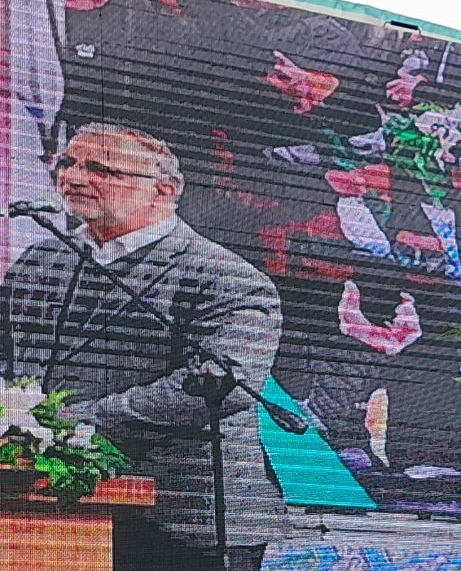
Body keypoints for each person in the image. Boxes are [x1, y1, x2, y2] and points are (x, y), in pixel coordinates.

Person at [0, 123, 286, 571]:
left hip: (184, 516)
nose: (73, 177)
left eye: (101, 169)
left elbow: (218, 388)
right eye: (68, 163)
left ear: (163, 191)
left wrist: (70, 427)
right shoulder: (41, 261)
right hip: (47, 508)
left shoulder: (227, 278)